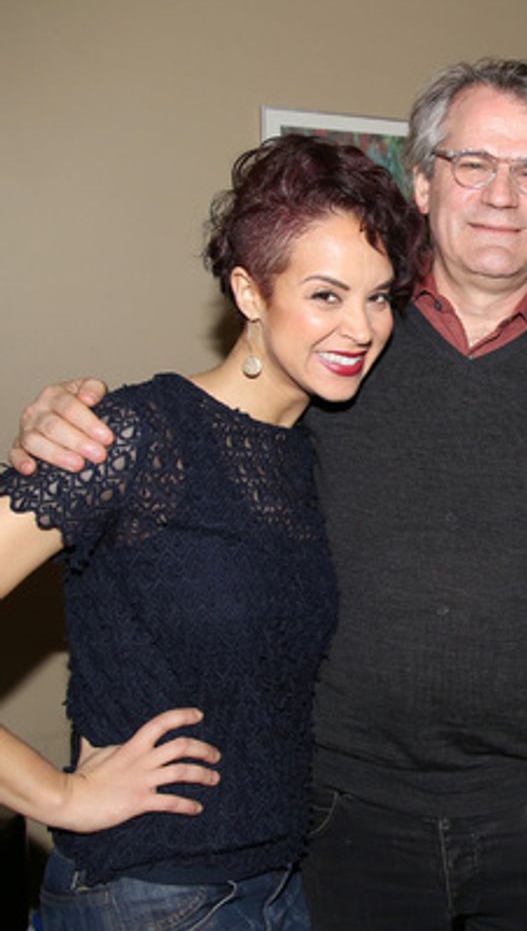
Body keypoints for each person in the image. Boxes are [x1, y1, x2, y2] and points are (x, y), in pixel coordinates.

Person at [8, 59, 527, 931]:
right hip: (338, 826)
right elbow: (209, 426)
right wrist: (64, 426)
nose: (503, 193)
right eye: (473, 163)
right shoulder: (340, 356)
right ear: (423, 181)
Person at [0, 134, 419, 930]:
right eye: (326, 294)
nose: (361, 326)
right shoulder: (133, 436)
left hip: (279, 887)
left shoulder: (315, 454)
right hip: (146, 897)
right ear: (250, 291)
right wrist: (58, 795)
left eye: (379, 296)